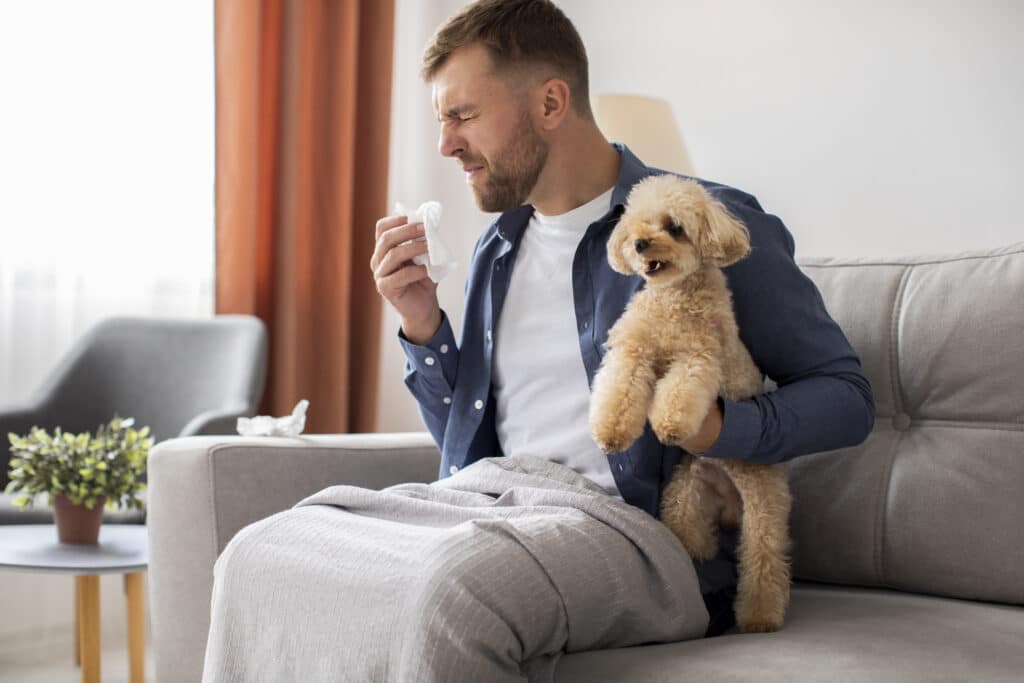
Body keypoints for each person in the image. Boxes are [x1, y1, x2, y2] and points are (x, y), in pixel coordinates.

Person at [372, 0, 873, 656]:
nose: (445, 144)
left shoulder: (699, 225)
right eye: (442, 120)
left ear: (552, 103)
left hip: (644, 541)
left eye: (463, 115)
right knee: (264, 552)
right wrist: (422, 325)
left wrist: (720, 428)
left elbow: (847, 398)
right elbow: (470, 447)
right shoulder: (498, 246)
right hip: (500, 509)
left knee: (458, 587)